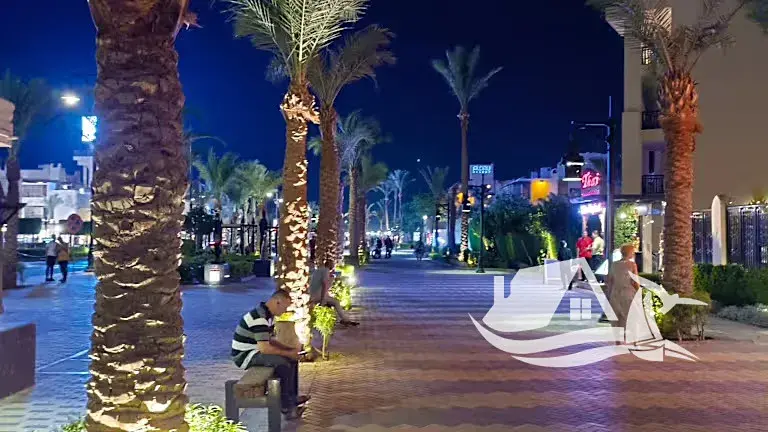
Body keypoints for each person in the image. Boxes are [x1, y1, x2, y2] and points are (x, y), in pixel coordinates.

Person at [231, 290, 310, 420]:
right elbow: (265, 348)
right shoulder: (259, 318)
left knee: (291, 359)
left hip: (255, 350)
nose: (285, 311)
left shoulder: (268, 316)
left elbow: (270, 340)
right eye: (285, 307)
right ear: (277, 302)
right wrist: (288, 352)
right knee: (282, 364)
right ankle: (286, 407)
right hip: (245, 355)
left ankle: (292, 398)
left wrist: (289, 350)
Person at [309, 261, 359, 326]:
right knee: (336, 302)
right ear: (330, 265)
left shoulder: (319, 270)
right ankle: (345, 320)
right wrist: (323, 299)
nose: (334, 266)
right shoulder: (326, 271)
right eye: (333, 264)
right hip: (318, 295)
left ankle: (344, 319)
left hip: (313, 294)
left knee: (334, 302)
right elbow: (324, 284)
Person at [606, 244, 640, 328]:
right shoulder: (632, 265)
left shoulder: (614, 265)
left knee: (616, 320)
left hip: (615, 294)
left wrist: (608, 295)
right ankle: (626, 335)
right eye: (633, 252)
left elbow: (610, 281)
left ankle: (618, 336)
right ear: (630, 253)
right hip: (628, 294)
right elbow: (636, 282)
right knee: (628, 319)